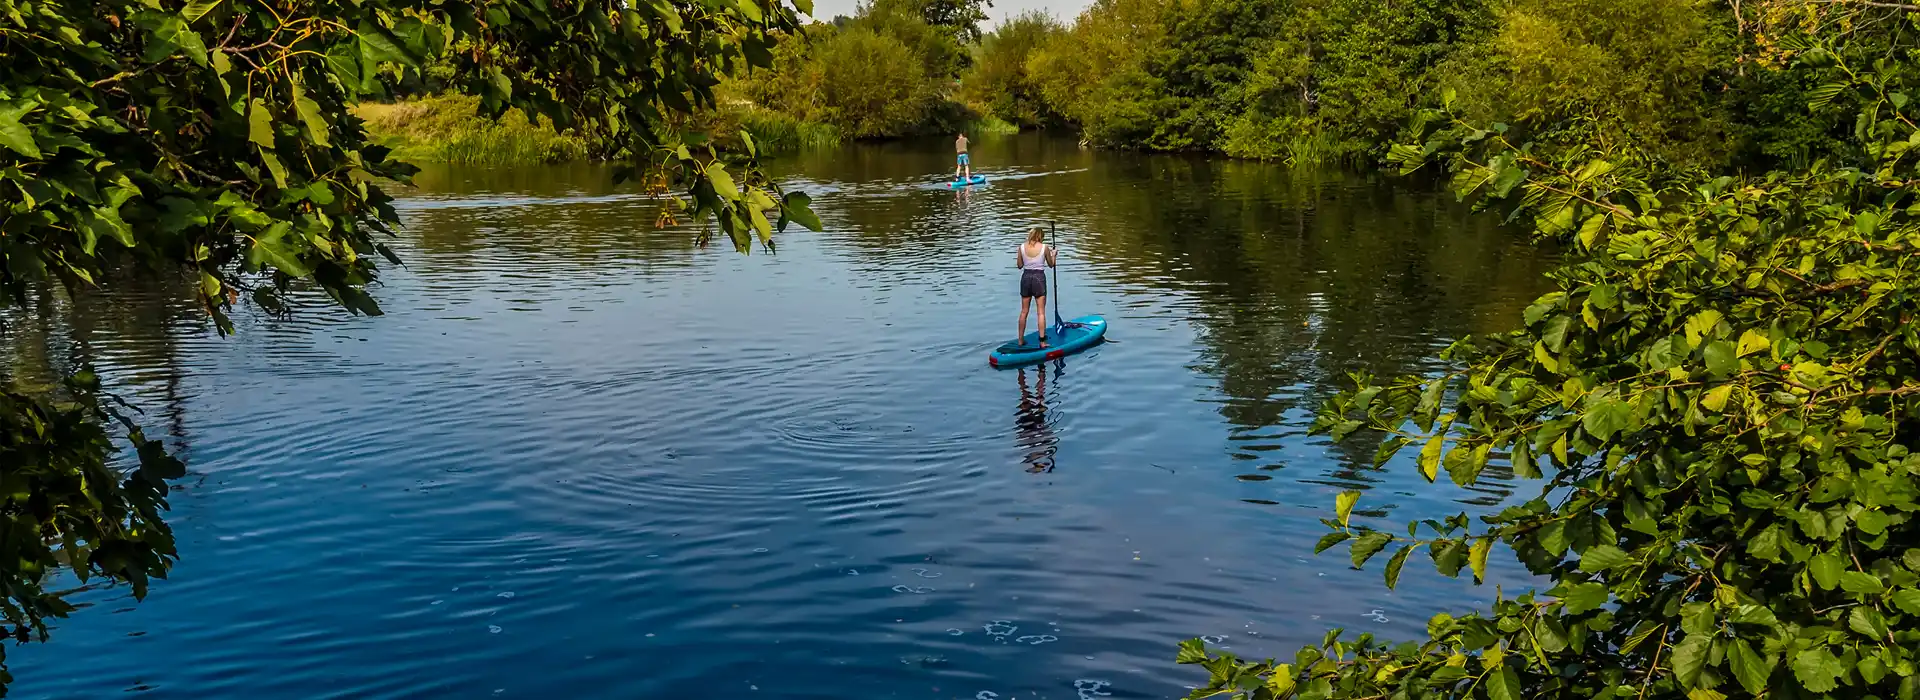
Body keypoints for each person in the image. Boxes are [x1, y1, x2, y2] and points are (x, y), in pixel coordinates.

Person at [1015, 227, 1056, 347]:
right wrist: (1054, 255)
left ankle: (1020, 340)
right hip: (1039, 278)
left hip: (1026, 277)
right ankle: (1042, 342)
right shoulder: (1044, 247)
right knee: (1041, 312)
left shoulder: (1021, 247)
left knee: (1024, 311)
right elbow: (1051, 264)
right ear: (1040, 236)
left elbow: (1019, 265)